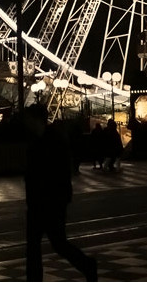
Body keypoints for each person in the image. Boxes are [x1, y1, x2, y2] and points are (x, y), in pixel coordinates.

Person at [23, 104, 98, 281]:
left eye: (28, 119)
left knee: (57, 244)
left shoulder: (53, 141)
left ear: (35, 120)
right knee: (36, 246)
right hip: (38, 202)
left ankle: (87, 264)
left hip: (51, 201)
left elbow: (57, 172)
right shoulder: (39, 140)